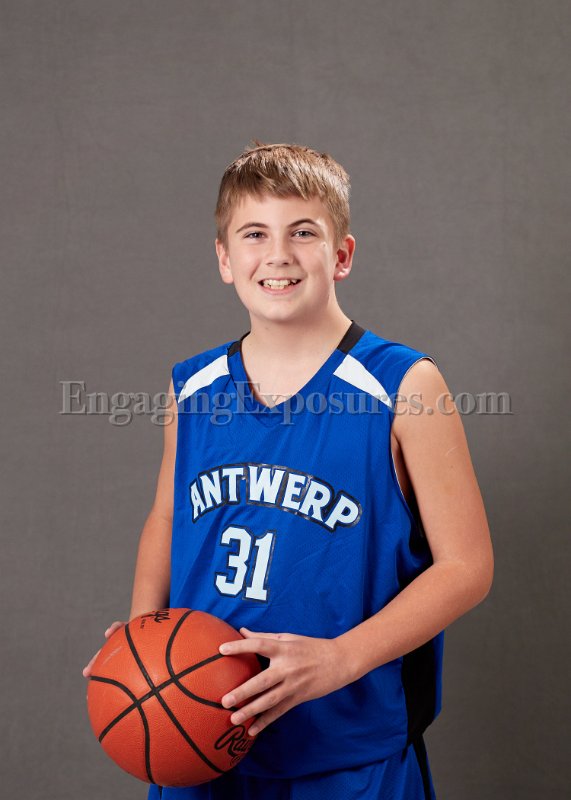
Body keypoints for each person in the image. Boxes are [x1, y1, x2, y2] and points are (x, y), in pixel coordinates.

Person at [83, 141, 494, 799]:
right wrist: (142, 639)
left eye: (302, 232)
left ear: (341, 255)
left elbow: (467, 566)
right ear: (224, 259)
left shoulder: (404, 384)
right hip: (200, 737)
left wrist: (339, 658)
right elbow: (166, 518)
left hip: (345, 748)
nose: (277, 254)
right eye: (254, 234)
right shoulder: (192, 387)